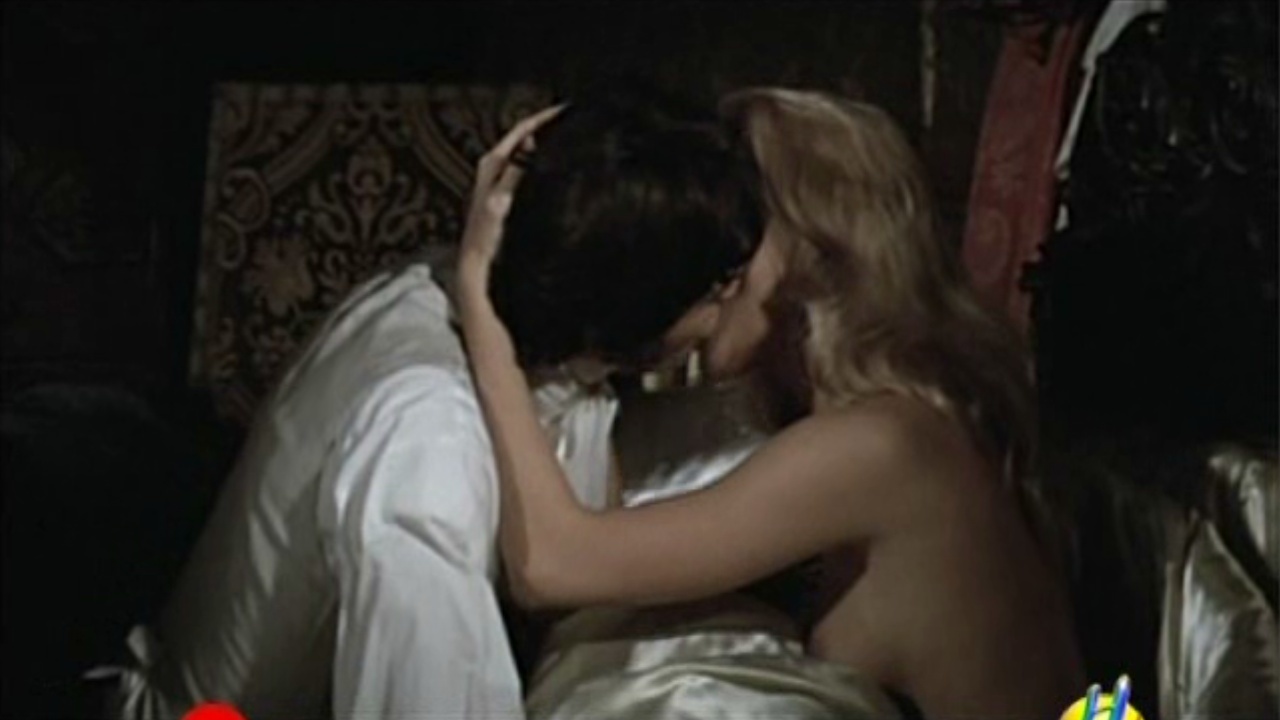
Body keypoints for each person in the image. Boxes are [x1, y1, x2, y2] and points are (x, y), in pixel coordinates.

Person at [98, 87, 763, 719]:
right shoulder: (427, 435)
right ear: (634, 303)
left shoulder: (504, 303)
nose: (728, 307)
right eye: (714, 290)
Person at [457, 88, 1087, 720]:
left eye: (735, 227)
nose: (705, 255)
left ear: (813, 244)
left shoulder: (880, 444)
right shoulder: (916, 414)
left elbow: (552, 566)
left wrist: (481, 301)